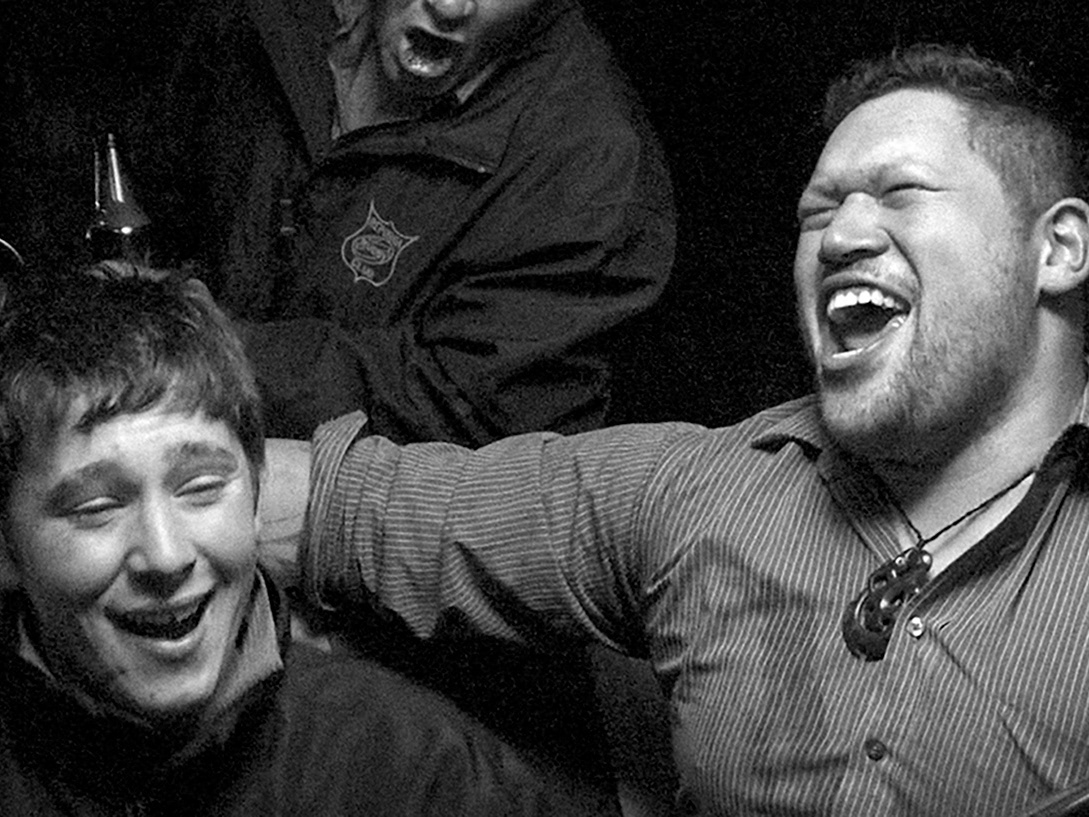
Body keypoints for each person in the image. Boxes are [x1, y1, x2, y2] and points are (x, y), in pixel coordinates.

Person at [257, 43, 1089, 816]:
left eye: (900, 191)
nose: (839, 235)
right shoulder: (704, 490)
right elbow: (354, 506)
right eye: (817, 212)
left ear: (1056, 248)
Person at [0, 269, 613, 815]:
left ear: (256, 501)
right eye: (97, 508)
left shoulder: (413, 767)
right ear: (8, 548)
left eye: (202, 489)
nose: (166, 555)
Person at [142, 0, 676, 444]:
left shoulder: (588, 166)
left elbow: (469, 411)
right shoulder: (265, 20)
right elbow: (161, 190)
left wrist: (190, 348)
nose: (450, 7)